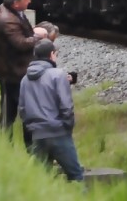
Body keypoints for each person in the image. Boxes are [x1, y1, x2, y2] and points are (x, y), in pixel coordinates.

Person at [0, 0, 48, 145]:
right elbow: (20, 43)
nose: (30, 1)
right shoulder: (7, 20)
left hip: (15, 71)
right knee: (13, 111)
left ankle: (8, 142)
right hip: (12, 73)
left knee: (14, 110)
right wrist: (39, 37)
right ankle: (10, 144)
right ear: (16, 3)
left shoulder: (12, 12)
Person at [19, 39, 84, 182]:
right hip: (58, 132)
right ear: (51, 54)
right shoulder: (58, 75)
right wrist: (67, 126)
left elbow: (22, 109)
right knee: (76, 175)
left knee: (42, 178)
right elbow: (66, 106)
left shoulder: (25, 79)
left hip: (37, 134)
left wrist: (32, 128)